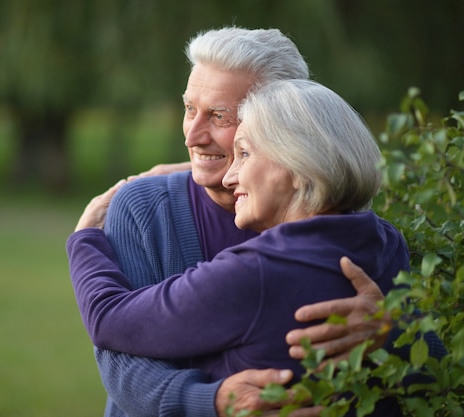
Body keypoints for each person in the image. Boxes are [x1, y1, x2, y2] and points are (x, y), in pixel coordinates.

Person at [75, 27, 446, 417]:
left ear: (290, 124)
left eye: (219, 116)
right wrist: (210, 401)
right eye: (189, 110)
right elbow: (120, 352)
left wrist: (391, 333)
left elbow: (434, 372)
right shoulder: (145, 207)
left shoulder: (368, 239)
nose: (193, 135)